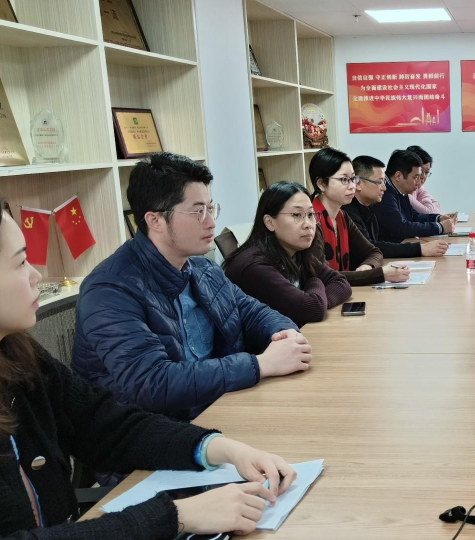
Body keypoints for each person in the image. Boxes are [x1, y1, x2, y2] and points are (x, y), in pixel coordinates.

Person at [0, 195, 299, 540]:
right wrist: (175, 516)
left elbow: (108, 425)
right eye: (21, 263)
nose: (36, 275)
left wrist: (219, 449)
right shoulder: (112, 285)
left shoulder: (19, 356)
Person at [73, 153, 310, 421]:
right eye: (198, 211)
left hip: (219, 409)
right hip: (144, 432)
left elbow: (253, 313)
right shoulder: (109, 290)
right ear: (155, 220)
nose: (211, 222)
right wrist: (260, 364)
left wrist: (283, 334)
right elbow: (153, 383)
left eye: (211, 208)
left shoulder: (202, 268)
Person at [224, 182, 352, 327]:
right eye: (297, 215)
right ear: (269, 222)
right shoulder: (254, 266)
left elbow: (341, 283)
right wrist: (315, 281)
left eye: (311, 214)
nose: (308, 224)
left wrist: (319, 300)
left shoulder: (294, 250)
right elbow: (313, 309)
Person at [309, 148, 410, 286]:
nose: (352, 186)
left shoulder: (342, 216)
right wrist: (377, 274)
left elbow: (374, 252)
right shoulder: (311, 221)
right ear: (321, 183)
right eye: (344, 179)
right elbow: (323, 276)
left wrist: (367, 267)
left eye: (353, 179)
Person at [345, 155, 449, 259]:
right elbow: (370, 247)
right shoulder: (348, 212)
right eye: (379, 182)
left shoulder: (369, 206)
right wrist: (420, 249)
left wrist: (438, 219)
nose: (384, 188)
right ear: (358, 184)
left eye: (384, 182)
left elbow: (413, 216)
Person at [374, 149, 457, 241]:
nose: (419, 182)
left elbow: (414, 216)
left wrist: (438, 218)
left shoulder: (399, 189)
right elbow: (402, 228)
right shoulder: (384, 193)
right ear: (398, 176)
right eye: (415, 177)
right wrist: (439, 227)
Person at [405, 145, 442, 215]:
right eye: (421, 171)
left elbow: (437, 207)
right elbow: (430, 213)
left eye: (427, 172)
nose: (423, 176)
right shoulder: (404, 194)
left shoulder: (419, 188)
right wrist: (426, 201)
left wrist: (423, 199)